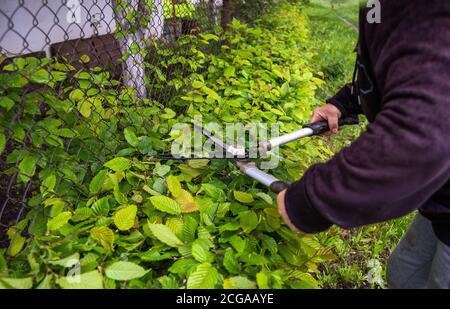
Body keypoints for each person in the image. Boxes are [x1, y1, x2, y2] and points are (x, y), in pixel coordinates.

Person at [276, 0, 450, 289]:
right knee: (403, 274)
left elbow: (419, 137)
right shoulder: (378, 6)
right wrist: (342, 104)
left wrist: (313, 200)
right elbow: (401, 75)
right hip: (440, 197)